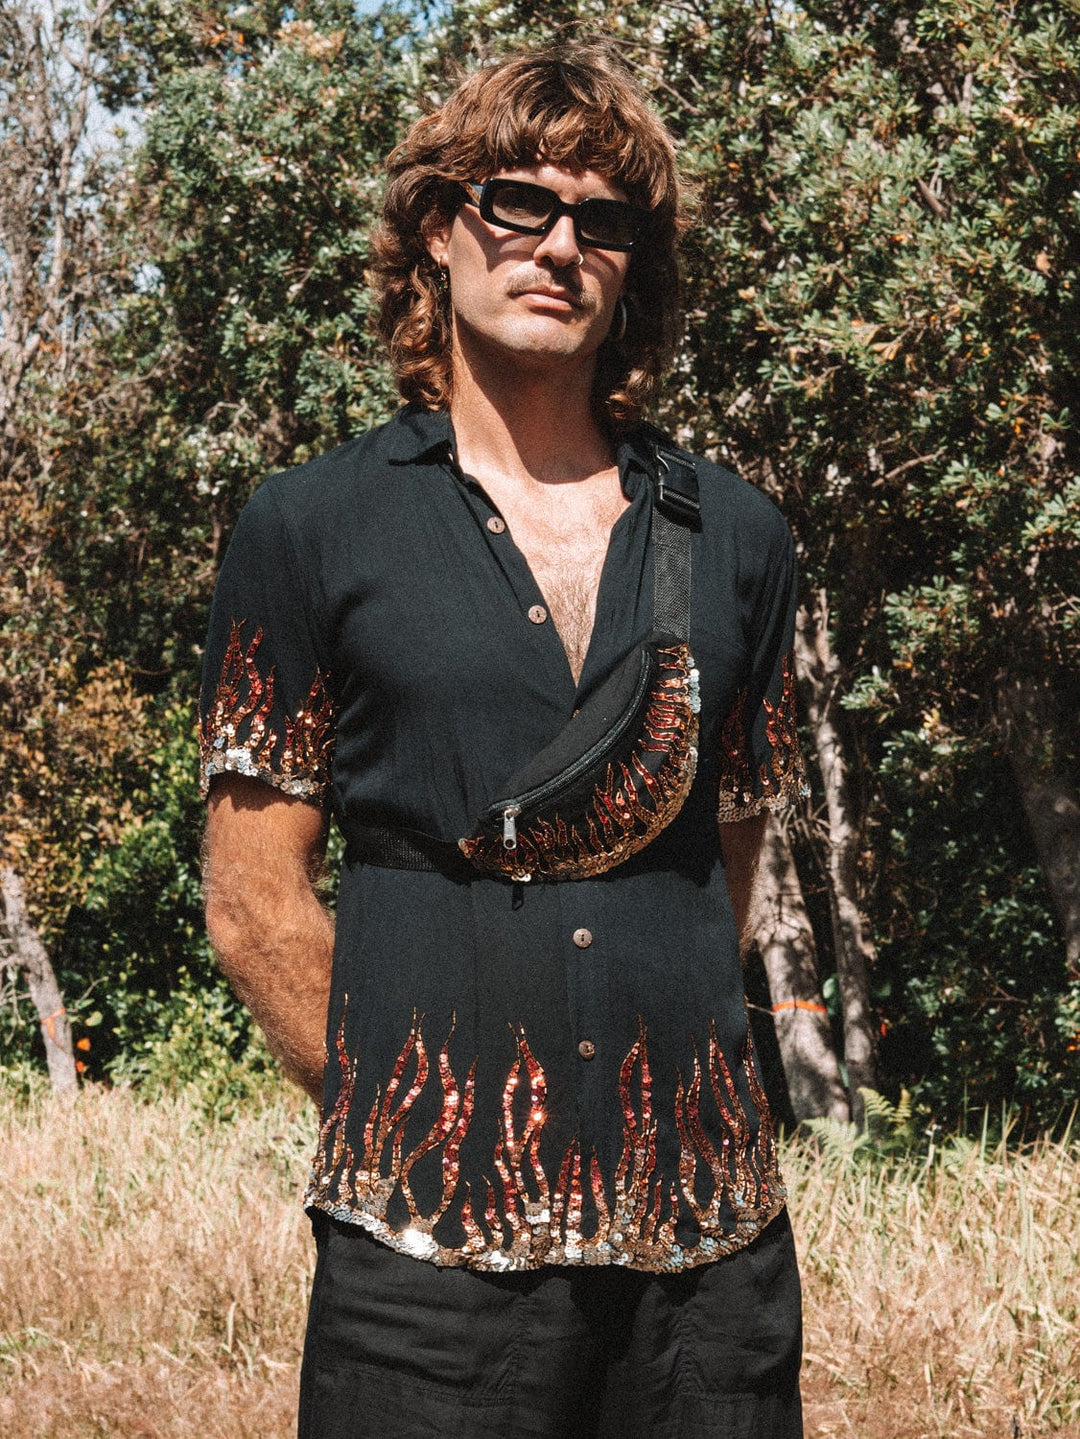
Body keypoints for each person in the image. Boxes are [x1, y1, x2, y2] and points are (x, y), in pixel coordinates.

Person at [201, 40, 806, 1439]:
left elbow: (723, 872)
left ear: (634, 263)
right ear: (437, 226)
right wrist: (410, 1120)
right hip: (422, 1268)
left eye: (603, 220)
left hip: (706, 1263)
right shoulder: (311, 528)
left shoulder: (738, 538)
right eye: (519, 203)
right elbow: (254, 902)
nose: (560, 247)